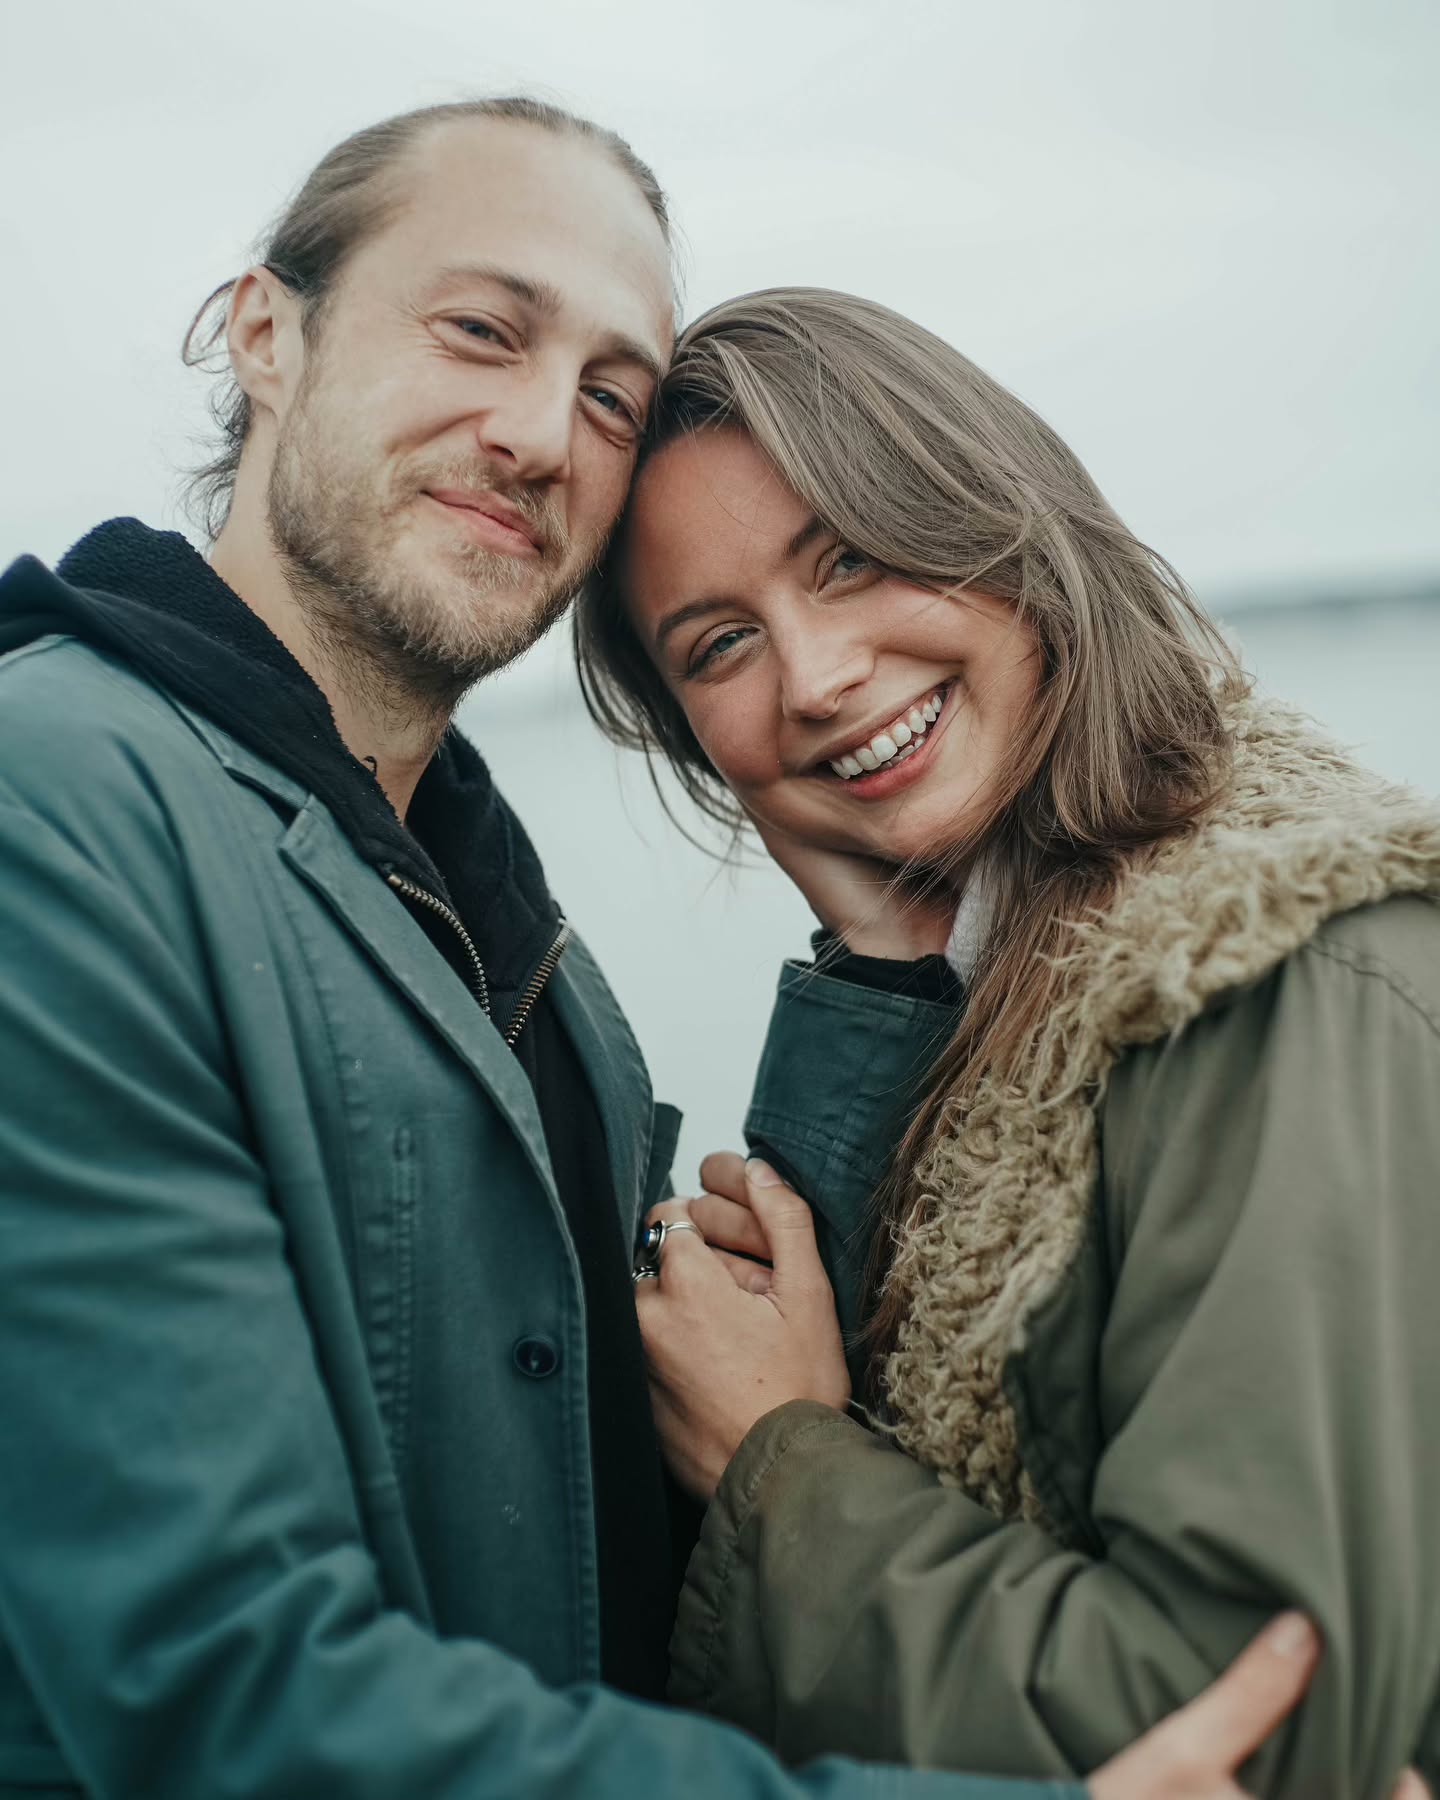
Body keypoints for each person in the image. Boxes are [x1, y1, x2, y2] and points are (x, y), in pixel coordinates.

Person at [0, 96, 1321, 1800]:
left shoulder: (486, 908)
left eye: (611, 393)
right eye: (483, 328)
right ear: (268, 330)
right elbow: (220, 1694)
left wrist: (886, 971)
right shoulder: (61, 805)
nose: (546, 433)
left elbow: (631, 1478)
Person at [579, 286, 1440, 1796]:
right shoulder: (993, 963)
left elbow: (1263, 1740)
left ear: (1006, 520)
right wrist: (878, 975)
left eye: (847, 556)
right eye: (722, 645)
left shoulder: (1272, 977)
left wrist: (776, 1460)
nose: (818, 677)